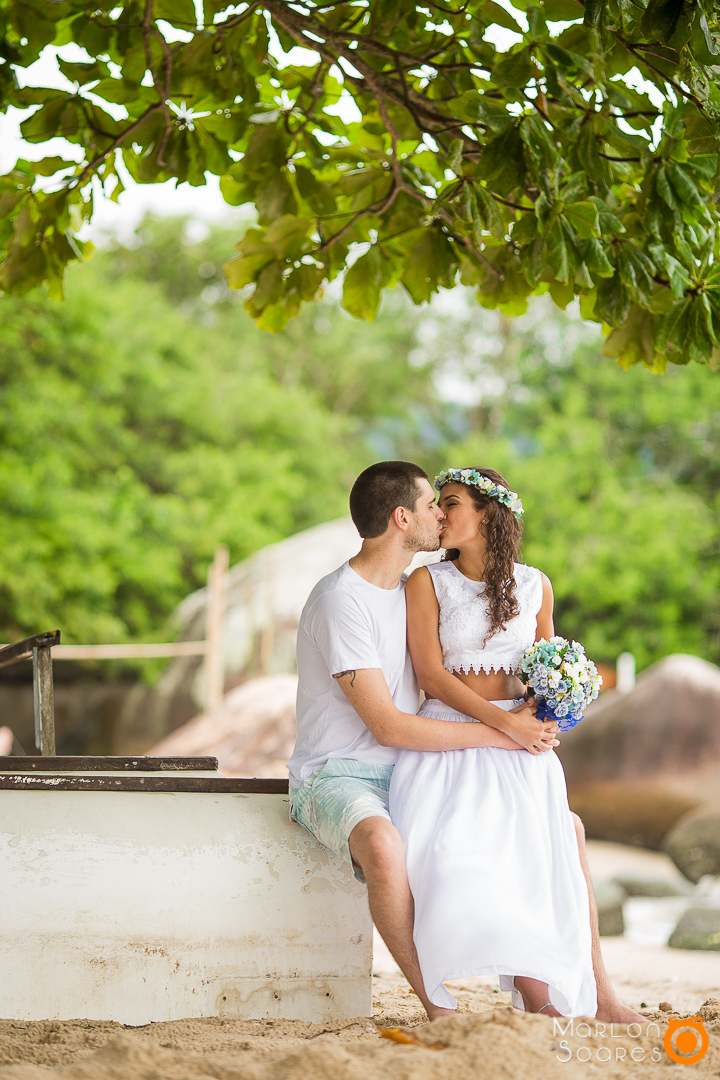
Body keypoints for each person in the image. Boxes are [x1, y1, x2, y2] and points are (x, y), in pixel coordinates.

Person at [287, 460, 644, 1023]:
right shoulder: (347, 599)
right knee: (390, 847)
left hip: (413, 756)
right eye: (434, 503)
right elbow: (397, 717)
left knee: (564, 830)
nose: (439, 513)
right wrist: (505, 731)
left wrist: (552, 699)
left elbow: (523, 654)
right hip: (348, 768)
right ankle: (443, 1014)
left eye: (447, 503)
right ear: (402, 518)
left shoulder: (408, 586)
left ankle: (583, 998)